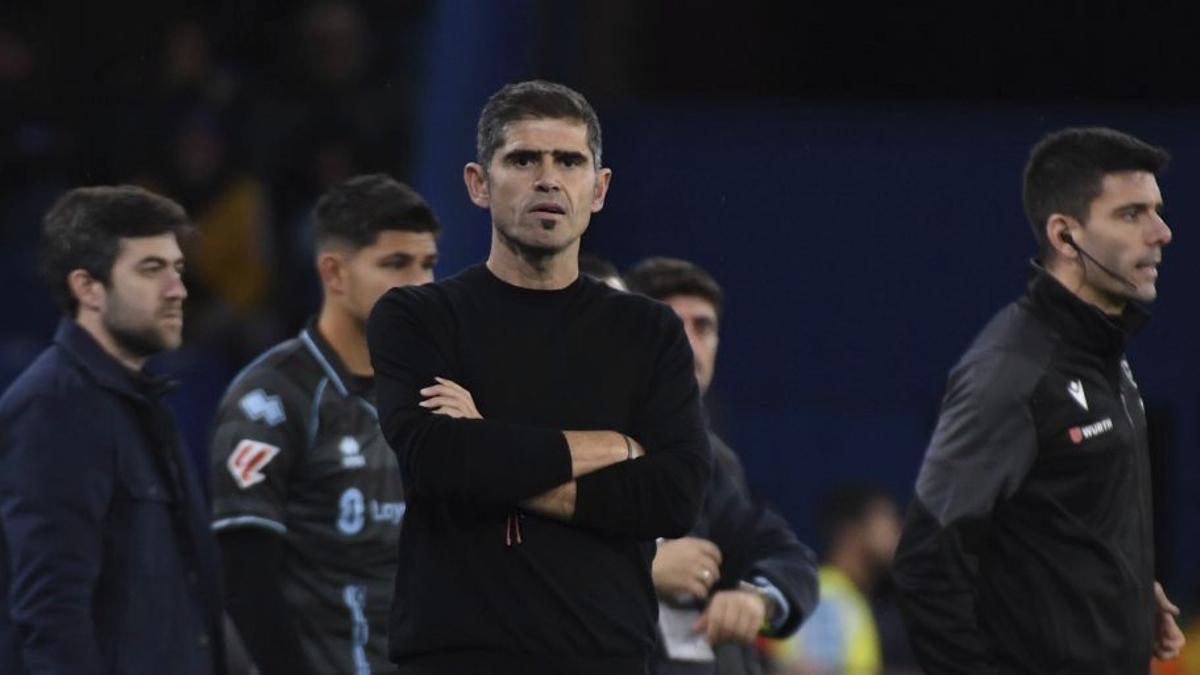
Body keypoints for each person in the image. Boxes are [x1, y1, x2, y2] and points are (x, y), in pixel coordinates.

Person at [366, 80, 712, 674]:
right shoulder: (417, 315)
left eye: (569, 161)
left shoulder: (649, 331)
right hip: (456, 659)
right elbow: (437, 459)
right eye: (524, 159)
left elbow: (673, 496)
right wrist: (611, 446)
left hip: (607, 658)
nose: (548, 179)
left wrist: (487, 444)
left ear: (598, 190)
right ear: (479, 183)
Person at [893, 127, 1186, 673]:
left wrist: (1124, 595)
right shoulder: (1013, 372)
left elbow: (1059, 516)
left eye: (1157, 211)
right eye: (1131, 214)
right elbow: (924, 565)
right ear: (1064, 235)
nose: (1162, 232)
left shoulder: (1102, 350)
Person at [209, 174, 439, 675]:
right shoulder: (271, 398)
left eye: (428, 265)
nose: (421, 285)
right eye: (396, 264)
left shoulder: (437, 395)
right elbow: (246, 580)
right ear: (334, 274)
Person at [0, 185, 225, 674]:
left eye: (178, 269)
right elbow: (51, 614)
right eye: (151, 269)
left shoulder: (147, 404)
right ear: (88, 288)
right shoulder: (52, 409)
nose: (178, 290)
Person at [624, 256, 819, 675]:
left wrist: (757, 599)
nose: (692, 346)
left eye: (704, 328)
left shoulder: (711, 461)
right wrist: (643, 567)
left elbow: (787, 557)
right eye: (675, 325)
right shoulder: (581, 441)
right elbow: (531, 570)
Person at [765, 487, 901, 675]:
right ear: (852, 533)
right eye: (886, 520)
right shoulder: (825, 597)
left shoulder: (849, 596)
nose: (897, 532)